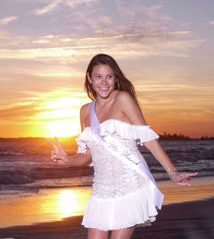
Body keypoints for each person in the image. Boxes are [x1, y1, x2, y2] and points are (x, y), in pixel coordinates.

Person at [47, 53, 197, 239]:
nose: (104, 82)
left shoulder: (123, 99)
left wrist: (172, 172)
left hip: (131, 185)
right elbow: (86, 156)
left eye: (109, 76)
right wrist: (67, 159)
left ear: (115, 78)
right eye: (98, 76)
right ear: (89, 78)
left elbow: (148, 138)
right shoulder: (85, 111)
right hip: (101, 189)